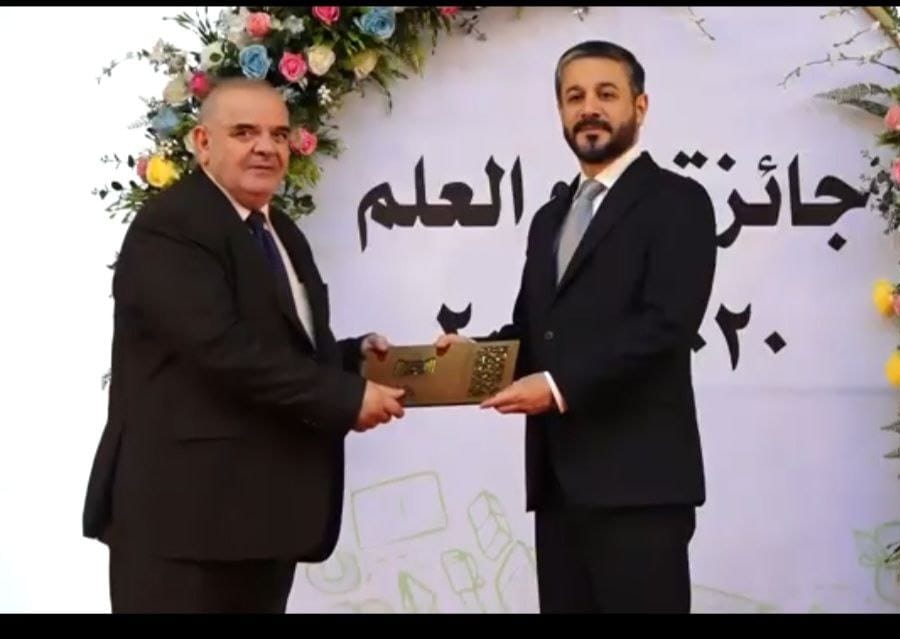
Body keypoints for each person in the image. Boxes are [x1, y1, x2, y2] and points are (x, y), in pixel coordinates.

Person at [82, 78, 407, 614]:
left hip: (257, 520)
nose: (266, 147)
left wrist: (353, 359)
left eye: (279, 135)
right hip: (181, 523)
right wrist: (345, 398)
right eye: (244, 132)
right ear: (202, 143)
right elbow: (222, 351)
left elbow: (280, 342)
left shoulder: (280, 229)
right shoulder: (173, 225)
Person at [436, 40, 717, 613]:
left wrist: (557, 386)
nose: (589, 108)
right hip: (559, 487)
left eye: (606, 94)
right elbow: (534, 332)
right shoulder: (550, 218)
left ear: (640, 106)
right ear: (561, 111)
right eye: (574, 97)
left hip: (641, 489)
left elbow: (667, 325)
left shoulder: (678, 201)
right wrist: (470, 358)